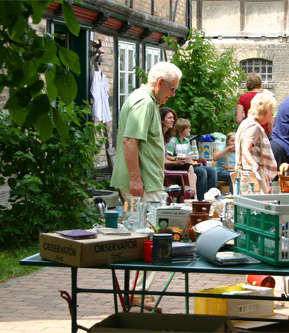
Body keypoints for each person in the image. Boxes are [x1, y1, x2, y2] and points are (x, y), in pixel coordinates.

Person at [110, 61, 182, 311]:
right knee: (153, 237)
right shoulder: (143, 101)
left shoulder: (145, 100)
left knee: (141, 233)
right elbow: (130, 140)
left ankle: (139, 291)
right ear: (160, 83)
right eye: (172, 89)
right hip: (142, 186)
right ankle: (139, 291)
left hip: (142, 184)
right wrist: (135, 178)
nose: (172, 95)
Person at [235, 92, 278, 192]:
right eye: (271, 112)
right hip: (253, 176)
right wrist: (254, 164)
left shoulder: (245, 123)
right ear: (264, 111)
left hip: (246, 174)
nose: (272, 115)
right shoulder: (253, 126)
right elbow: (245, 149)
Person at [167, 118, 217, 200]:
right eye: (187, 128)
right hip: (179, 166)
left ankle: (212, 197)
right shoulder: (173, 141)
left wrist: (189, 160)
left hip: (188, 164)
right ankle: (201, 199)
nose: (189, 130)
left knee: (212, 170)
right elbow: (168, 156)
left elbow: (189, 156)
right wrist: (176, 159)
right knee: (202, 172)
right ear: (180, 130)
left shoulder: (187, 141)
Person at [161, 107, 197, 199]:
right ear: (161, 120)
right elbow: (164, 159)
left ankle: (188, 200)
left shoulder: (167, 137)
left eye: (173, 118)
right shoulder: (167, 139)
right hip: (168, 169)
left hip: (178, 164)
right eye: (169, 118)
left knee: (203, 172)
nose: (172, 120)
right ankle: (193, 197)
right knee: (192, 169)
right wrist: (176, 161)